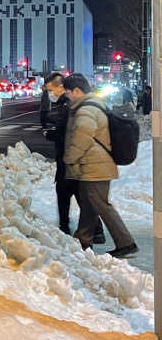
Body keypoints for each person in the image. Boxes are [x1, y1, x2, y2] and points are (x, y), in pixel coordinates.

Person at [63, 73, 138, 257]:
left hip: (95, 166)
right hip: (95, 166)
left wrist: (69, 157)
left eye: (68, 93)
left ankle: (126, 243)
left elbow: (82, 137)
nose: (67, 97)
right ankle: (83, 241)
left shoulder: (86, 110)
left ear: (77, 91)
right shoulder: (94, 105)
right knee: (90, 205)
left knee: (102, 205)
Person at [43, 72, 104, 241]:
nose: (50, 94)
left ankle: (69, 229)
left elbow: (71, 133)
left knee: (68, 193)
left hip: (70, 159)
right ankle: (94, 229)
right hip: (71, 159)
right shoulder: (69, 104)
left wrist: (52, 135)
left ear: (61, 87)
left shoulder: (68, 105)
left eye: (51, 90)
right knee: (78, 194)